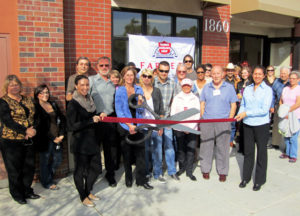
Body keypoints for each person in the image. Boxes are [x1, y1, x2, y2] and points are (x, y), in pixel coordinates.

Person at [0, 75, 40, 204]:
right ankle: (17, 194)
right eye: (11, 85)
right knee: (14, 169)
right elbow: (8, 121)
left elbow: (37, 116)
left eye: (16, 84)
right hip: (11, 141)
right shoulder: (3, 102)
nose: (15, 87)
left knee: (28, 167)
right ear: (7, 87)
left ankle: (27, 190)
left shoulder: (28, 99)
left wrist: (33, 129)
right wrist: (25, 130)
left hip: (29, 139)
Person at [115, 66, 153, 190]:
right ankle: (128, 178)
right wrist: (129, 125)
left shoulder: (138, 89)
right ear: (123, 76)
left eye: (132, 75)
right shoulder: (119, 90)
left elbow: (141, 110)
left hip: (138, 126)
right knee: (127, 154)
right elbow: (119, 111)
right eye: (127, 75)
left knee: (141, 154)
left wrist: (141, 103)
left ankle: (141, 180)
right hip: (125, 126)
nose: (130, 77)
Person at [235, 66, 273, 191]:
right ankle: (246, 177)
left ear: (264, 76)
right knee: (248, 152)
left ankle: (259, 180)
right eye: (255, 74)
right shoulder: (248, 89)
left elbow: (264, 110)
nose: (257, 76)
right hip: (247, 124)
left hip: (261, 124)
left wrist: (246, 113)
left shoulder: (267, 90)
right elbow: (243, 105)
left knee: (261, 152)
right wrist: (240, 114)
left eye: (259, 74)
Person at [67, 75, 101, 207]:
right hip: (80, 143)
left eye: (87, 85)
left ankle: (88, 191)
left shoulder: (89, 99)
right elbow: (70, 126)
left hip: (92, 141)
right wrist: (90, 121)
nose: (85, 87)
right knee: (80, 171)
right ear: (76, 86)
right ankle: (83, 196)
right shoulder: (73, 104)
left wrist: (100, 115)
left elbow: (92, 116)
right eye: (82, 85)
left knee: (96, 168)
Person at [199, 66, 238, 182]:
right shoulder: (207, 87)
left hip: (223, 122)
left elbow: (233, 105)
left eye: (218, 73)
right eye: (213, 73)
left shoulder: (229, 88)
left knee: (223, 147)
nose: (215, 76)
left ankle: (222, 171)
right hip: (207, 121)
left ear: (222, 74)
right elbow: (202, 103)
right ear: (211, 75)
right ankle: (205, 169)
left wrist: (230, 119)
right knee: (206, 146)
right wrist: (203, 117)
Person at [89, 56, 117, 187]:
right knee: (94, 149)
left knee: (110, 150)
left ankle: (110, 175)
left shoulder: (113, 83)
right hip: (96, 120)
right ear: (97, 67)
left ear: (109, 67)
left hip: (110, 120)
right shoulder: (91, 81)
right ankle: (94, 174)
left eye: (107, 65)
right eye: (102, 66)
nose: (104, 68)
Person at [33, 84, 66, 190]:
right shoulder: (36, 107)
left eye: (47, 92)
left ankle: (47, 177)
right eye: (42, 93)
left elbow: (62, 119)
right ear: (37, 95)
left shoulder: (53, 104)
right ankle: (47, 182)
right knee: (45, 160)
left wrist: (61, 134)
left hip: (57, 137)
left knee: (58, 159)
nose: (45, 95)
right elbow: (39, 127)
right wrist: (53, 138)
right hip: (45, 139)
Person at [153, 61, 179, 181]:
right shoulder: (152, 82)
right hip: (155, 119)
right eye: (162, 70)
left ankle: (172, 171)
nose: (164, 73)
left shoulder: (173, 84)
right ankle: (157, 172)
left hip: (167, 119)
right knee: (157, 146)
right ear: (157, 70)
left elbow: (176, 101)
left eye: (166, 71)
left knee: (169, 145)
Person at [171, 78, 200, 181]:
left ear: (191, 86)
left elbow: (197, 114)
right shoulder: (177, 97)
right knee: (181, 149)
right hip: (179, 128)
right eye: (184, 85)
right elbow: (173, 113)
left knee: (191, 150)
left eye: (188, 85)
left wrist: (190, 127)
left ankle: (189, 171)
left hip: (192, 128)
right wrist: (182, 127)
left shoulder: (195, 98)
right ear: (182, 86)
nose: (186, 87)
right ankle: (181, 168)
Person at [139, 69, 165, 183]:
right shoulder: (138, 90)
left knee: (158, 150)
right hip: (143, 126)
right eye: (144, 76)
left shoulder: (157, 91)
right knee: (146, 151)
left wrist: (161, 126)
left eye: (149, 76)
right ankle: (147, 172)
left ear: (152, 78)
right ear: (141, 77)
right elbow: (136, 110)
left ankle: (158, 173)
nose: (147, 78)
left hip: (155, 125)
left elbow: (161, 110)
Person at [278, 71, 300, 162]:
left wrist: (287, 111)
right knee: (286, 135)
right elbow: (281, 101)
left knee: (293, 136)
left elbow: (298, 103)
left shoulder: (298, 89)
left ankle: (293, 155)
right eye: (290, 78)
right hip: (285, 115)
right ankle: (287, 152)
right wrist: (283, 111)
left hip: (295, 116)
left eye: (294, 78)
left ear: (298, 80)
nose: (291, 80)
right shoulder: (285, 88)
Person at [270, 66, 290, 149]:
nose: (283, 75)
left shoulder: (292, 81)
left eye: (284, 73)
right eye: (281, 73)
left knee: (288, 125)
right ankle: (275, 143)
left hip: (289, 106)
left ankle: (287, 146)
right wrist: (272, 106)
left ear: (288, 74)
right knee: (276, 124)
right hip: (278, 104)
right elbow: (272, 95)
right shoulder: (276, 81)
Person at [236, 66, 252, 154]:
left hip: (247, 108)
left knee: (246, 129)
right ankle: (241, 147)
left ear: (249, 73)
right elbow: (236, 94)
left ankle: (246, 149)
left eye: (245, 73)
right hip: (240, 107)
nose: (244, 74)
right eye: (242, 73)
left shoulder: (251, 84)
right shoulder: (239, 83)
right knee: (240, 129)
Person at [225, 63, 239, 147]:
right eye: (228, 70)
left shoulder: (237, 81)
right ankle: (225, 139)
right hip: (226, 104)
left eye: (231, 70)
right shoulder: (223, 81)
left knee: (233, 124)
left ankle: (231, 140)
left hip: (234, 104)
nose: (230, 72)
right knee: (225, 123)